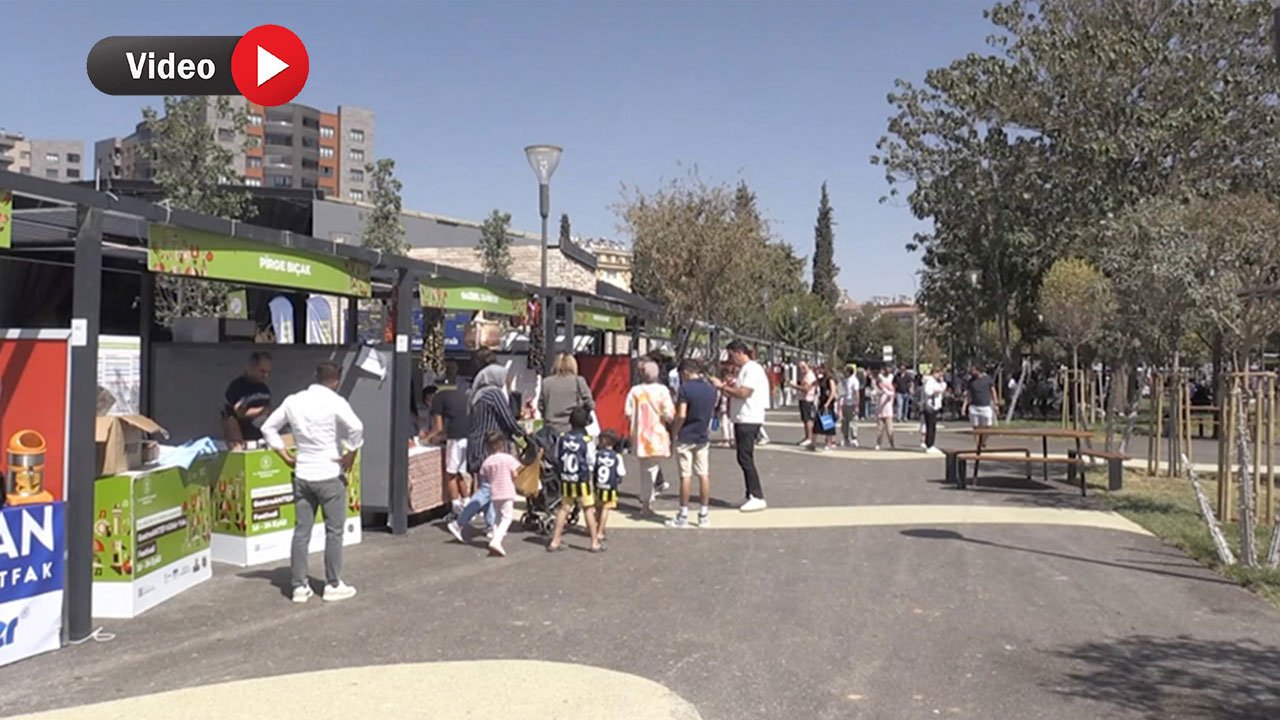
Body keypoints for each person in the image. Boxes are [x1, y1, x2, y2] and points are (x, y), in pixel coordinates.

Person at [261, 361, 363, 603]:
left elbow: (268, 428)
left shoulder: (293, 400)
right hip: (329, 471)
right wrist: (351, 450)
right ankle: (333, 584)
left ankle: (299, 586)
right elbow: (357, 427)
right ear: (336, 380)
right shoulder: (336, 402)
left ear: (315, 376)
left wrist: (284, 454)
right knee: (334, 531)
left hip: (303, 471)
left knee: (301, 532)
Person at [448, 358, 525, 543]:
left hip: (476, 444)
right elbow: (506, 417)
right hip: (489, 445)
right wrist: (521, 433)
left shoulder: (476, 394)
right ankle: (460, 522)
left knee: (488, 486)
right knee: (489, 488)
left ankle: (491, 526)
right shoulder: (493, 394)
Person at [709, 340, 769, 512]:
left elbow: (744, 393)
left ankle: (757, 496)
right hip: (742, 417)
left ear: (739, 352)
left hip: (749, 418)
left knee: (745, 457)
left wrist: (721, 387)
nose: (730, 359)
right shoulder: (746, 369)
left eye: (731, 355)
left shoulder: (752, 369)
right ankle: (750, 493)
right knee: (743, 456)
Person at [667, 359, 717, 529]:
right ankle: (704, 514)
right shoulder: (711, 389)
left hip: (686, 435)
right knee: (703, 474)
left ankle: (683, 514)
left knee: (685, 476)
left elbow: (681, 414)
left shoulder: (685, 389)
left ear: (685, 372)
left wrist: (674, 433)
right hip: (703, 435)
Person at [547, 407, 602, 552]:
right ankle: (594, 542)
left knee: (564, 508)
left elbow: (556, 456)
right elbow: (591, 460)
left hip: (566, 478)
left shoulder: (562, 437)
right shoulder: (587, 440)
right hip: (582, 479)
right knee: (588, 509)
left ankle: (555, 540)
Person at [625, 359, 676, 515]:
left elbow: (627, 412)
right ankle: (647, 502)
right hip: (657, 435)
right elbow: (669, 414)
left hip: (640, 436)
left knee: (645, 469)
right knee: (651, 469)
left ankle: (647, 500)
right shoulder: (662, 390)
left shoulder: (634, 391)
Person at [425, 380, 470, 517]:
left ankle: (456, 507)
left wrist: (425, 439)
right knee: (461, 473)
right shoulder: (459, 395)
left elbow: (438, 427)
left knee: (450, 474)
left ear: (430, 397)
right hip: (468, 436)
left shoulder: (438, 399)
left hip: (455, 438)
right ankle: (468, 504)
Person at [475, 430, 520, 557]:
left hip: (494, 492)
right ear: (502, 444)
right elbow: (515, 473)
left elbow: (484, 476)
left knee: (497, 517)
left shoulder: (487, 462)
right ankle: (496, 540)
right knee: (507, 517)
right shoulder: (508, 459)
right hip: (507, 491)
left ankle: (495, 537)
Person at [222, 351, 273, 450]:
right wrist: (262, 410)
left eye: (268, 372)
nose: (265, 376)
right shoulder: (237, 387)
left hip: (261, 437)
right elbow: (239, 413)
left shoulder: (264, 389)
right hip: (241, 440)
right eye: (262, 371)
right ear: (251, 367)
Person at [539, 353, 595, 436]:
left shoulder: (546, 382)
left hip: (551, 430)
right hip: (573, 429)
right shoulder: (578, 381)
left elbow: (541, 406)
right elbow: (591, 404)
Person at [592, 430, 626, 544]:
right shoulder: (617, 456)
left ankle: (594, 526)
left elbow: (592, 468)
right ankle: (600, 531)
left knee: (597, 508)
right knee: (606, 509)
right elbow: (621, 473)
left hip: (598, 486)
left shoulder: (597, 454)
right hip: (610, 487)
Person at [813, 366, 839, 451]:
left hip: (827, 404)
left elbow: (833, 391)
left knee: (828, 423)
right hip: (821, 402)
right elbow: (815, 383)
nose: (820, 371)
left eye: (821, 369)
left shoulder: (830, 379)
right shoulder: (822, 379)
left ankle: (829, 443)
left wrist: (827, 403)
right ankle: (813, 443)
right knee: (817, 423)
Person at [921, 366, 946, 454]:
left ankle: (930, 443)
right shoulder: (929, 381)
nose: (940, 375)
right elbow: (928, 392)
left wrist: (941, 384)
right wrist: (937, 390)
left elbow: (943, 388)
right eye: (939, 373)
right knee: (930, 426)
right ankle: (929, 445)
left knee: (932, 426)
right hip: (930, 405)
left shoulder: (936, 381)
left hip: (935, 405)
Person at [793, 361, 818, 448]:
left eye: (803, 367)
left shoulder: (809, 376)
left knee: (808, 419)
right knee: (805, 419)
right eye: (800, 368)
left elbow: (806, 389)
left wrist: (794, 386)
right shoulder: (805, 375)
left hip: (807, 399)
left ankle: (809, 438)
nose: (802, 369)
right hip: (803, 399)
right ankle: (807, 437)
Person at [874, 365, 897, 450]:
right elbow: (875, 393)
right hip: (880, 410)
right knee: (879, 429)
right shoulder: (879, 390)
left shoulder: (890, 390)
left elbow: (890, 395)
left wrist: (884, 389)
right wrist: (879, 389)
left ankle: (892, 443)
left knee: (889, 429)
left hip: (888, 411)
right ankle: (878, 443)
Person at [841, 364, 861, 448]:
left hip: (851, 403)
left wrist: (856, 405)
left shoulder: (854, 381)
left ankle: (854, 438)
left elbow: (856, 393)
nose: (844, 372)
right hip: (845, 403)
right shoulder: (845, 380)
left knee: (852, 421)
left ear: (849, 372)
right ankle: (845, 438)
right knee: (844, 422)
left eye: (845, 371)